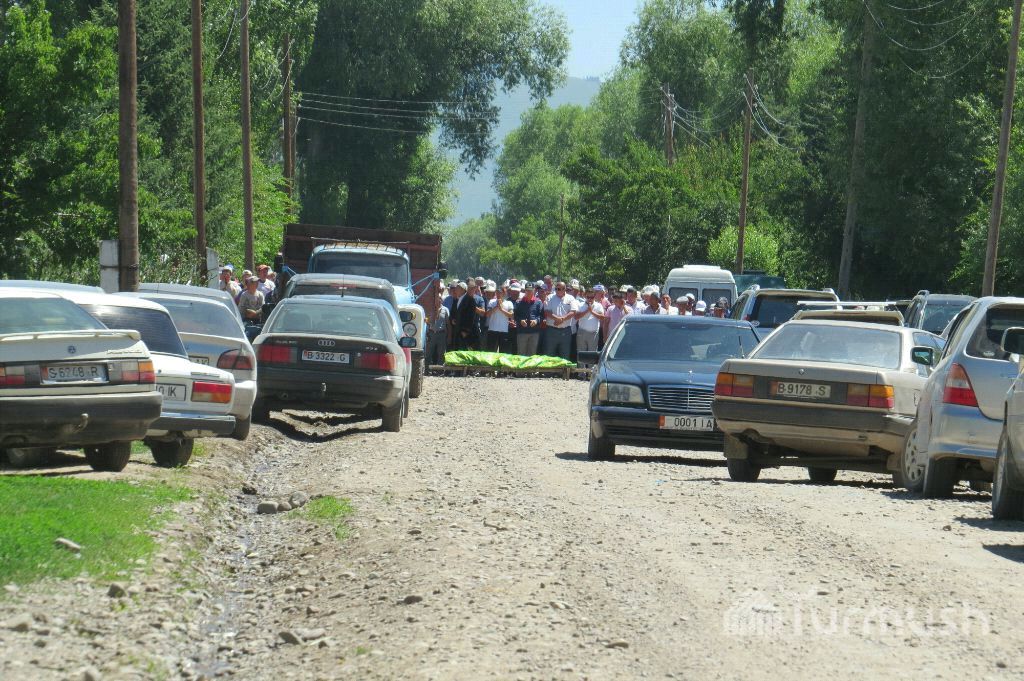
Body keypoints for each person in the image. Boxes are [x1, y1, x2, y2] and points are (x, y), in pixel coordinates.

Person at [543, 280, 578, 359]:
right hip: (551, 330)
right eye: (556, 288)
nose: (556, 290)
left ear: (564, 289)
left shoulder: (570, 298)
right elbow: (547, 311)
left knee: (565, 354)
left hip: (565, 331)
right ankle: (550, 368)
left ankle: (563, 368)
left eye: (559, 289)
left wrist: (562, 319)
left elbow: (573, 311)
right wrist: (557, 318)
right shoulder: (550, 297)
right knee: (549, 353)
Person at [514, 282, 544, 356]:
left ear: (534, 290)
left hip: (534, 332)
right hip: (522, 332)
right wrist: (520, 320)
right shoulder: (519, 302)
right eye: (527, 290)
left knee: (532, 354)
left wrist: (536, 321)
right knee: (521, 353)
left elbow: (542, 316)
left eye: (531, 290)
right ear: (525, 290)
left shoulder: (538, 302)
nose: (529, 292)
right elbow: (514, 315)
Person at [576, 287, 605, 361]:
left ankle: (591, 369)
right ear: (585, 296)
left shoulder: (598, 305)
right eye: (588, 297)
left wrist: (592, 311)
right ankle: (581, 369)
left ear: (594, 296)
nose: (590, 299)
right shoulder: (580, 305)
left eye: (591, 297)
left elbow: (602, 317)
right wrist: (587, 311)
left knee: (592, 354)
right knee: (581, 353)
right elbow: (576, 317)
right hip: (582, 332)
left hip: (593, 333)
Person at [484, 284, 514, 352]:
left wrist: (501, 309)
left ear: (504, 293)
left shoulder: (509, 303)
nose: (498, 294)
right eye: (497, 292)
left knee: (503, 352)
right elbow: (487, 314)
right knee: (491, 351)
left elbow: (511, 315)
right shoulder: (491, 302)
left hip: (504, 331)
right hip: (492, 330)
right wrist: (496, 307)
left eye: (500, 292)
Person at [453, 281, 480, 350]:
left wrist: (466, 331)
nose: (455, 290)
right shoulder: (457, 300)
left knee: (466, 352)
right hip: (458, 331)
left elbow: (471, 316)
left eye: (457, 288)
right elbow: (456, 314)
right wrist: (453, 319)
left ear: (463, 290)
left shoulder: (470, 300)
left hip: (466, 334)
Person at [425, 293, 449, 367]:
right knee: (428, 353)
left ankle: (440, 370)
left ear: (442, 300)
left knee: (441, 354)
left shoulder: (445, 310)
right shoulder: (430, 309)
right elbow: (426, 321)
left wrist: (449, 336)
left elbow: (448, 324)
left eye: (440, 298)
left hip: (441, 334)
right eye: (437, 298)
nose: (438, 300)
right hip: (431, 333)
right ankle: (426, 369)